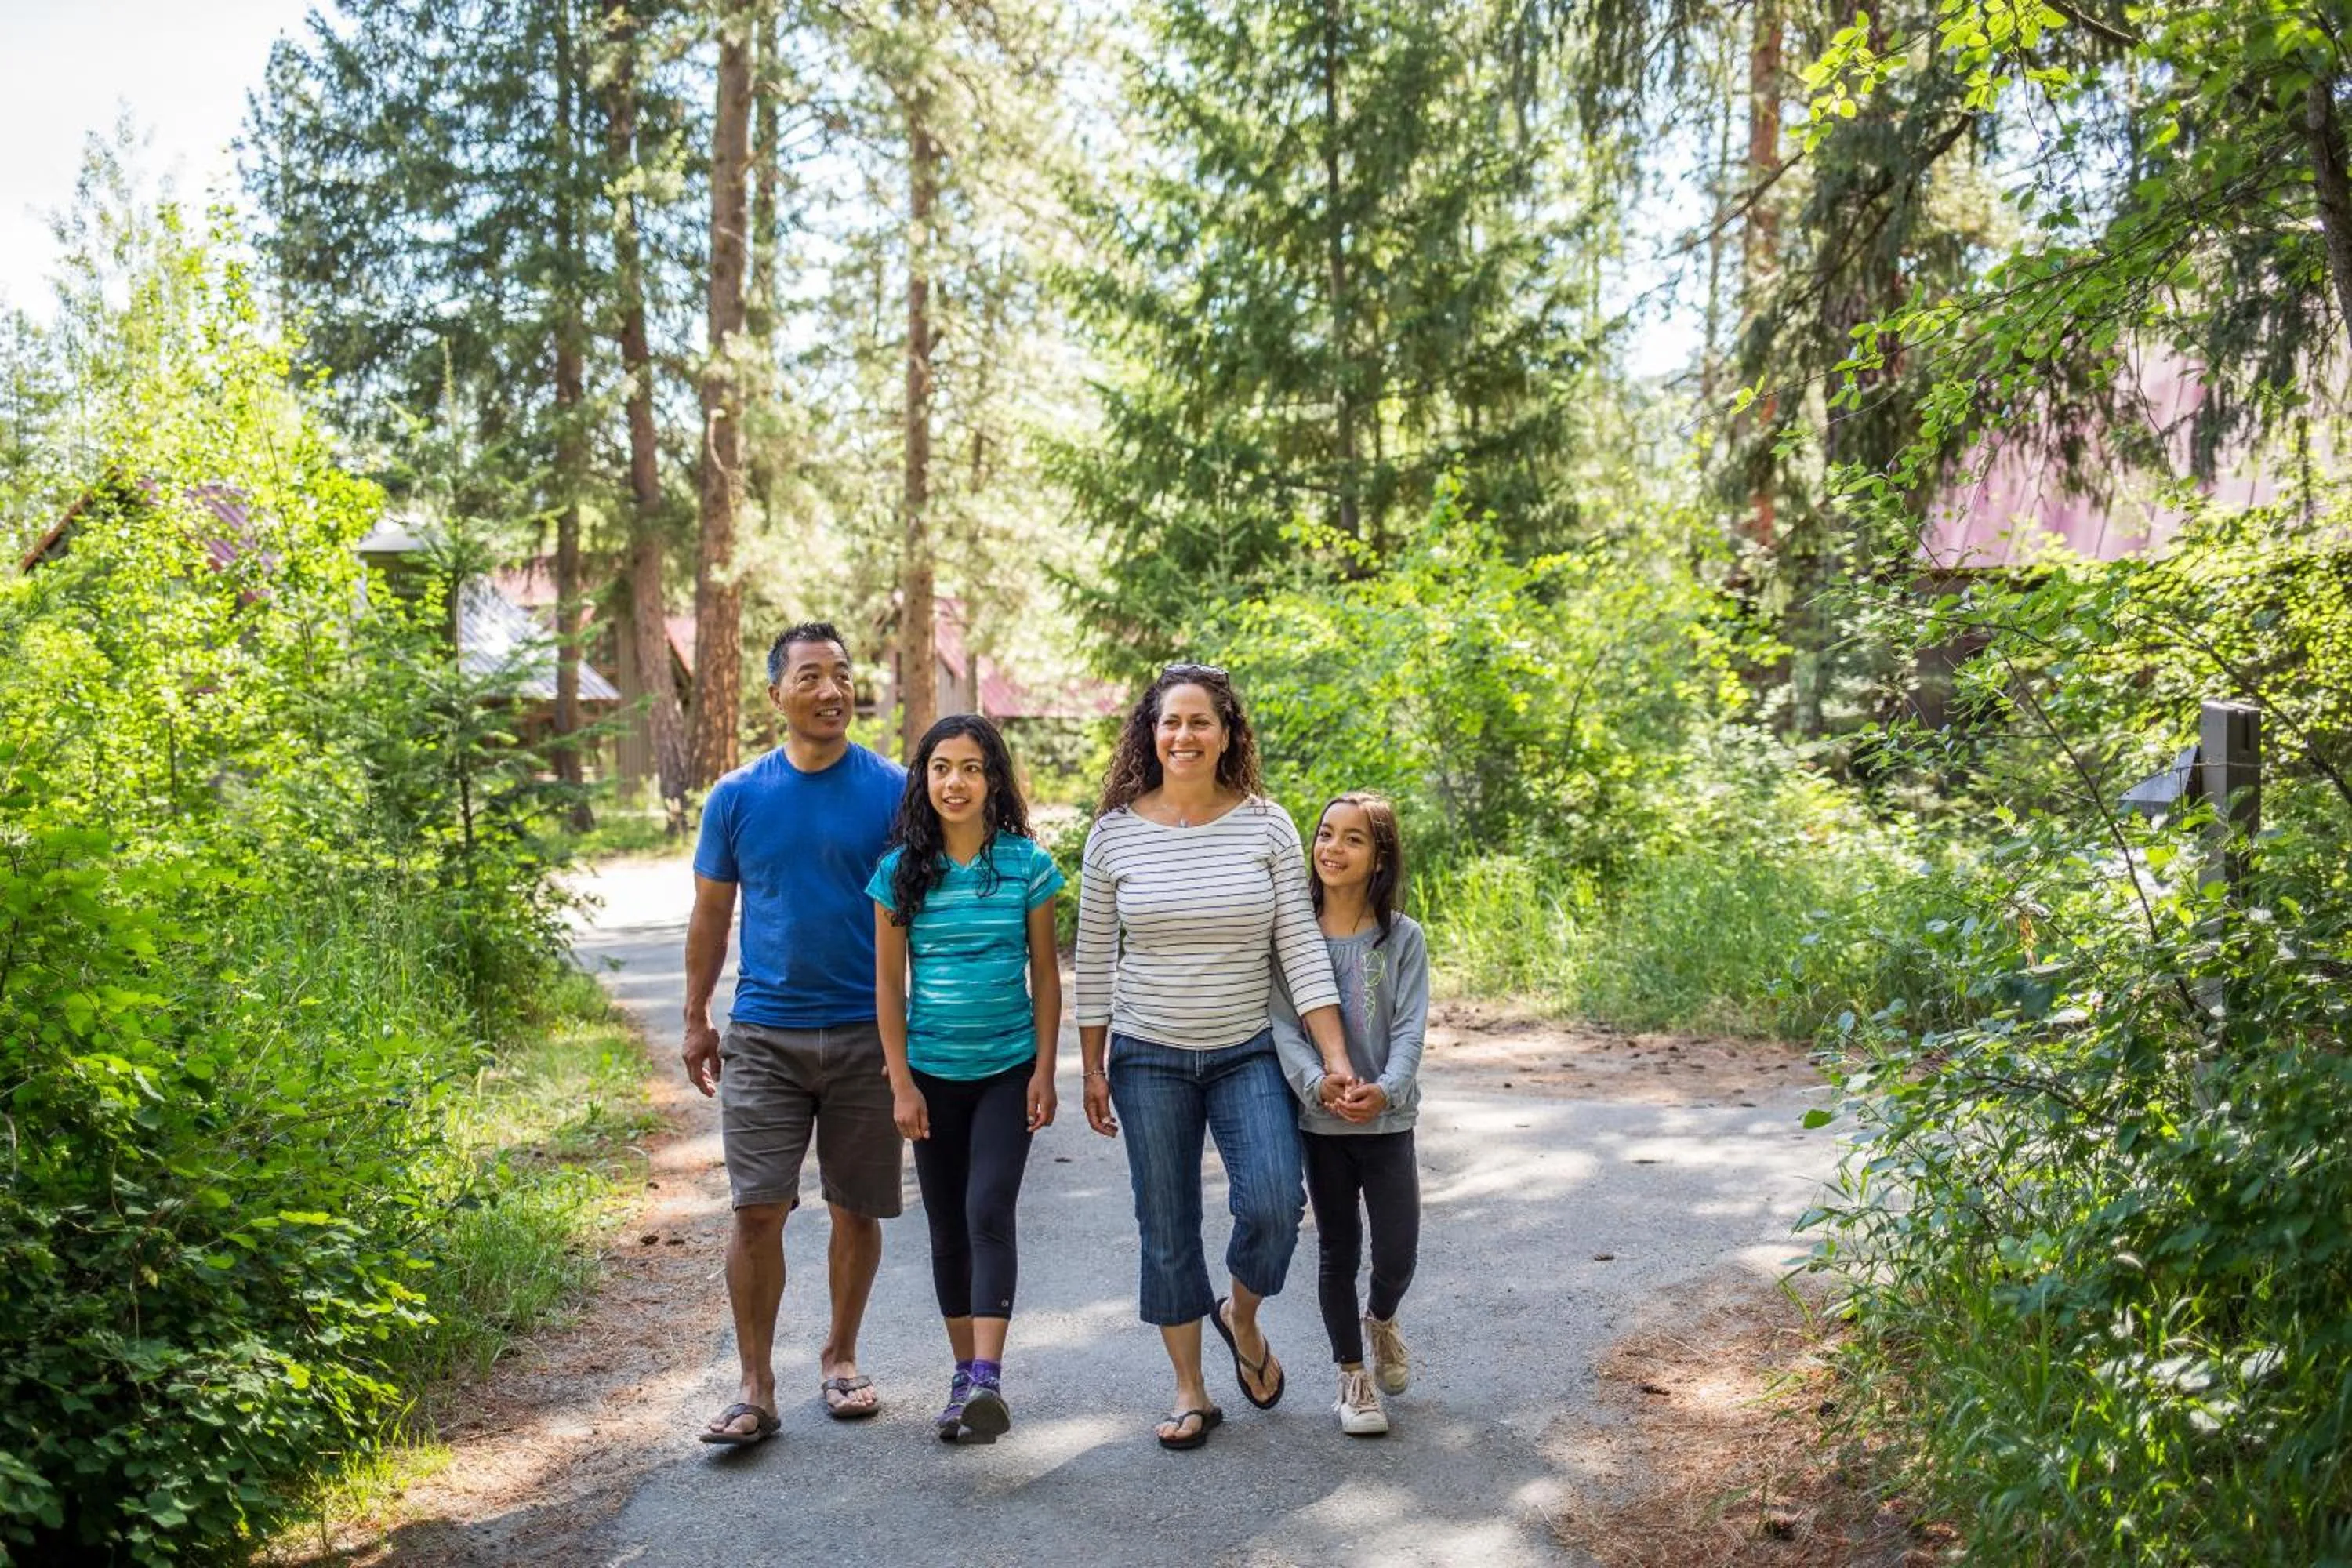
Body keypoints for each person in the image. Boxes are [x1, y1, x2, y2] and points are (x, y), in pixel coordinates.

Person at [1074, 662, 1359, 1450]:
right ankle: (1191, 1390)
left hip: (1247, 1050)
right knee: (1165, 1223)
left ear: (1228, 733)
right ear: (1150, 733)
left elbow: (1299, 947)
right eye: (1171, 721)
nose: (1184, 735)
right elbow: (1094, 959)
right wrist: (1092, 1065)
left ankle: (1241, 1313)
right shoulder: (1114, 833)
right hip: (1146, 1054)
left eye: (1202, 721)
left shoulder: (1268, 823)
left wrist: (1333, 1053)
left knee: (1273, 1202)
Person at [684, 622, 906, 1445]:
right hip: (764, 1036)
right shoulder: (738, 795)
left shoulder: (894, 789)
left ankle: (841, 1357)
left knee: (856, 1207)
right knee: (757, 1211)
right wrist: (694, 1014)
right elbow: (711, 912)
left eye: (842, 675)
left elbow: (928, 909)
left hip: (864, 1036)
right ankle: (755, 1384)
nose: (831, 690)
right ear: (775, 693)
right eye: (810, 676)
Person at [867, 714, 1065, 1444]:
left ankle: (988, 1375)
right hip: (930, 1074)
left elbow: (1045, 973)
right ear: (923, 779)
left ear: (994, 781)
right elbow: (889, 987)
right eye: (942, 767)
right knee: (948, 1226)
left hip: (1007, 1072)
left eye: (972, 768)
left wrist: (1045, 1070)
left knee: (988, 1210)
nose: (956, 781)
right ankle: (961, 1380)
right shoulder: (898, 872)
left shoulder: (1027, 866)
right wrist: (900, 1084)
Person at [1270, 793, 1428, 1437]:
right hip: (1322, 1123)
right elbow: (1280, 1023)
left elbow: (1413, 1027)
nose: (1333, 849)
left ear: (1380, 855)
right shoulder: (1292, 933)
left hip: (1388, 1122)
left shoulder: (1403, 938)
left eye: (1353, 839)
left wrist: (1386, 1089)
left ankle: (1382, 1318)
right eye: (1325, 835)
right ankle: (1352, 1378)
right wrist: (1317, 1083)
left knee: (1398, 1252)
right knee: (1338, 1250)